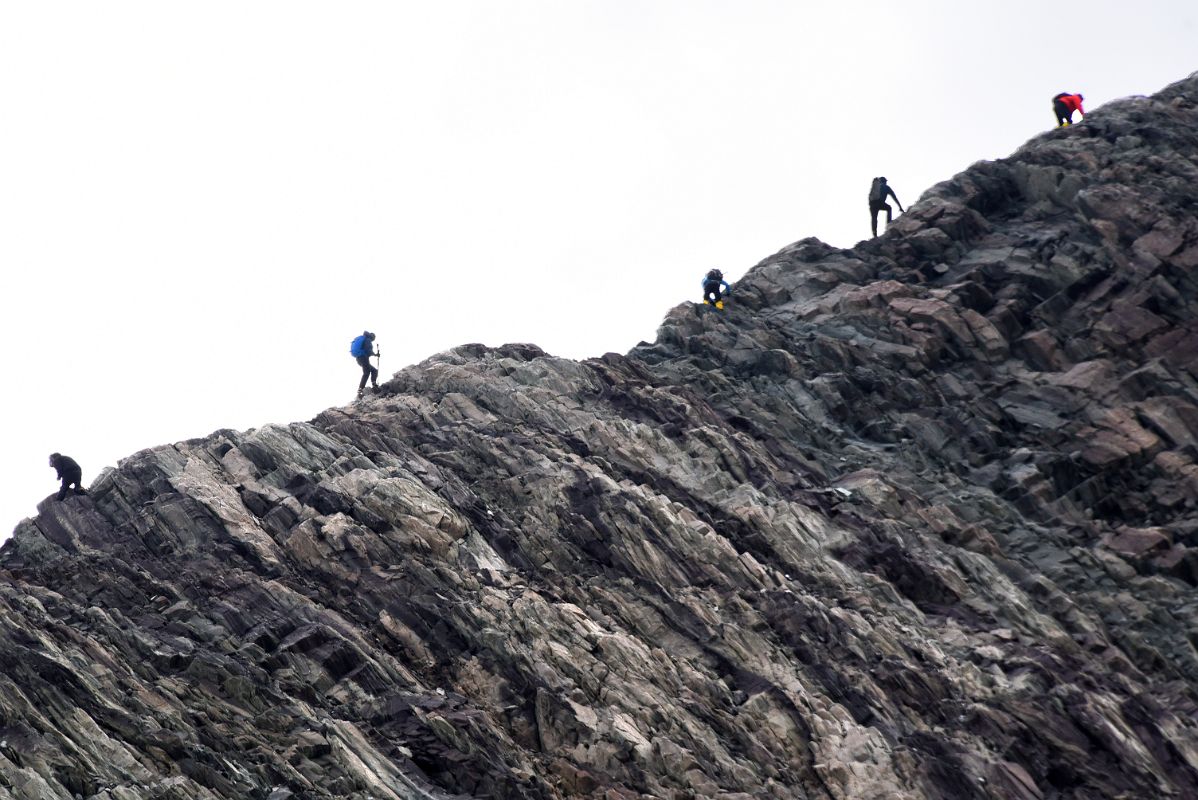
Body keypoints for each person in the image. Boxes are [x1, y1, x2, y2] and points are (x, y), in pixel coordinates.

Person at [349, 331, 379, 397]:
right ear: (372, 337)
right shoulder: (368, 340)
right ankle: (361, 389)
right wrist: (375, 354)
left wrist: (374, 354)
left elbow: (367, 350)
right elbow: (368, 350)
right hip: (363, 357)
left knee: (374, 370)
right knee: (366, 373)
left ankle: (373, 384)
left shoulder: (363, 338)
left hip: (359, 359)